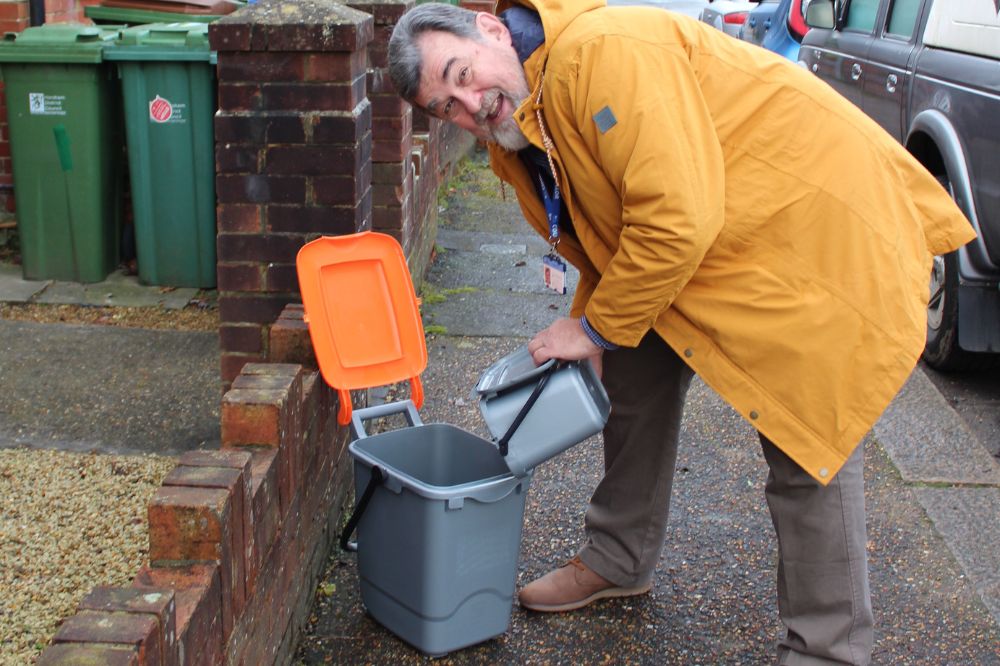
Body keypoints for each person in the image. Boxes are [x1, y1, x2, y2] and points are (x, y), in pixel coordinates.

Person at [388, 2, 975, 664]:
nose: (471, 104)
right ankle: (618, 556)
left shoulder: (600, 56)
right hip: (716, 240)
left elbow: (675, 221)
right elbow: (606, 234)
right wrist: (598, 327)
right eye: (448, 109)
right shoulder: (524, 128)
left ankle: (828, 647)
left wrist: (594, 327)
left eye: (462, 74)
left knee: (808, 439)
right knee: (630, 376)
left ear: (490, 30)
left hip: (804, 238)